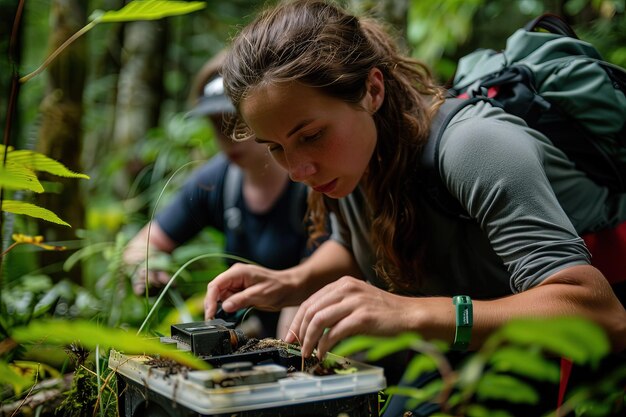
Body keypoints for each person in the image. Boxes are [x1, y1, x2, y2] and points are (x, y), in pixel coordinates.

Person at [204, 0, 626, 364]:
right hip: (482, 359)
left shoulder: (474, 147)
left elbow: (602, 314)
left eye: (310, 136)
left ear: (372, 90)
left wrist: (411, 313)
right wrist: (290, 282)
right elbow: (354, 243)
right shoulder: (357, 157)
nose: (297, 170)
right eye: (275, 147)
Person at [123, 51, 317, 339]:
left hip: (317, 330)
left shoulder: (312, 178)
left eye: (236, 120)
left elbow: (309, 290)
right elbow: (143, 245)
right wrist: (148, 268)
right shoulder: (215, 181)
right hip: (250, 336)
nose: (226, 136)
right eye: (216, 123)